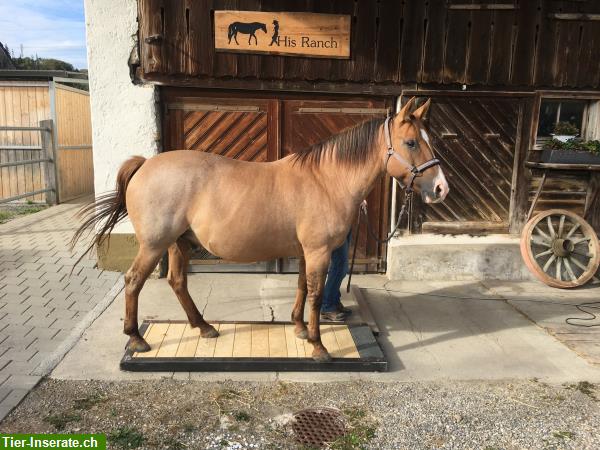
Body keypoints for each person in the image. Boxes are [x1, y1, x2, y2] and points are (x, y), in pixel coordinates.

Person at [320, 231, 353, 322]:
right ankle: (327, 306)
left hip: (345, 222)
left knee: (341, 265)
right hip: (336, 224)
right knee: (340, 265)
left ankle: (334, 301)